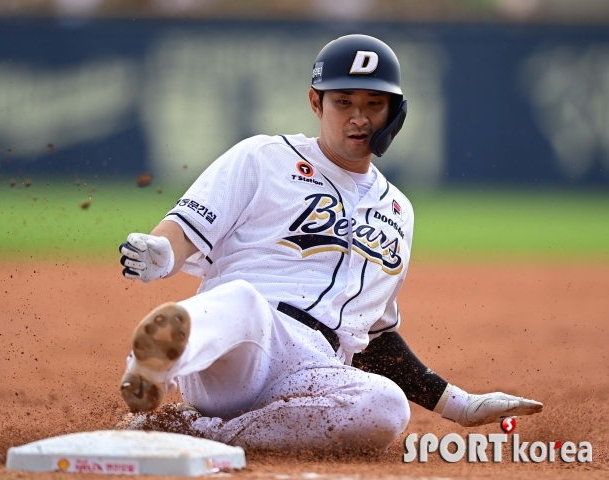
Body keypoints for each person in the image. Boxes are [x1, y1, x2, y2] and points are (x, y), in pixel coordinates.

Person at [117, 34, 543, 451]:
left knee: (386, 407)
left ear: (396, 113)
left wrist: (460, 404)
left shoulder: (398, 211)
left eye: (374, 104)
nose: (359, 117)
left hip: (314, 368)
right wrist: (163, 253)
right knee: (242, 301)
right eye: (344, 102)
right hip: (240, 346)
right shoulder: (263, 157)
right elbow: (187, 229)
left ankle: (194, 430)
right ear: (315, 102)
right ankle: (153, 366)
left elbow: (374, 337)